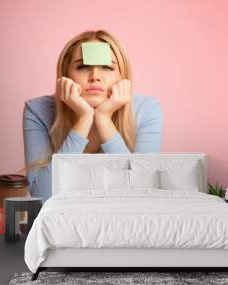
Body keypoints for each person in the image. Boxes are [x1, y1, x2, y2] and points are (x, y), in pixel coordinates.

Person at [23, 30, 163, 202]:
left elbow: (142, 193)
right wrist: (84, 119)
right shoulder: (37, 111)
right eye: (82, 67)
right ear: (66, 75)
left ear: (122, 76)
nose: (95, 77)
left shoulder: (147, 109)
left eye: (107, 67)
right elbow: (42, 196)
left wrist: (104, 119)